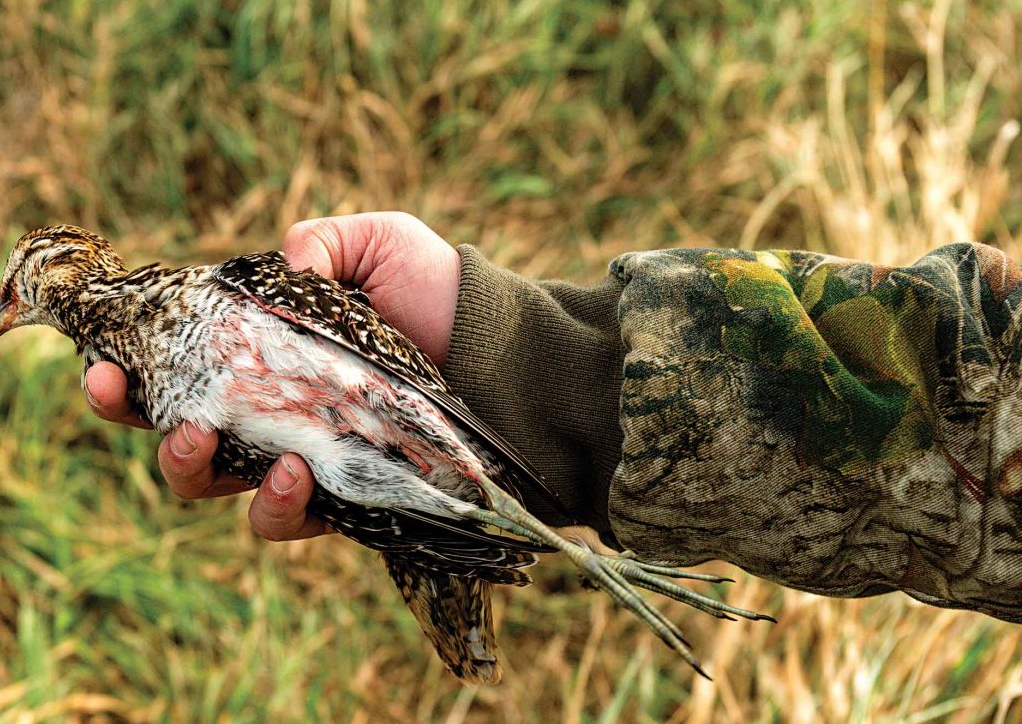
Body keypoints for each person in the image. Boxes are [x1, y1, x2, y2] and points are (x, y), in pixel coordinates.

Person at [85, 212, 1022, 623]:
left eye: (29, 286)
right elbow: (972, 378)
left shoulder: (233, 291)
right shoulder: (143, 355)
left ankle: (575, 557)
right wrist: (508, 346)